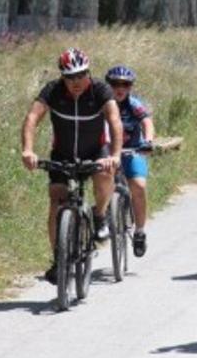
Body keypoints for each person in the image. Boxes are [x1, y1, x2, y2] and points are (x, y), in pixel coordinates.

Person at [21, 48, 123, 284]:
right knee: (56, 200)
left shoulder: (100, 90)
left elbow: (115, 121)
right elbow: (32, 118)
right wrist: (28, 149)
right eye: (69, 77)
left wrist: (115, 155)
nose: (76, 82)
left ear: (88, 72)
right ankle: (59, 259)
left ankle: (99, 215)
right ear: (62, 77)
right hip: (63, 154)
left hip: (96, 152)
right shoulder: (53, 91)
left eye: (80, 75)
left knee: (106, 173)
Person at [105, 65, 155, 257]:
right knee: (101, 185)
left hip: (133, 150)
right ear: (109, 85)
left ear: (130, 87)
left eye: (125, 84)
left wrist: (148, 141)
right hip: (109, 153)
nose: (120, 88)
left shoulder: (134, 104)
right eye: (115, 84)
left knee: (139, 187)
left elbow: (146, 122)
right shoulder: (103, 104)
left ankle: (140, 231)